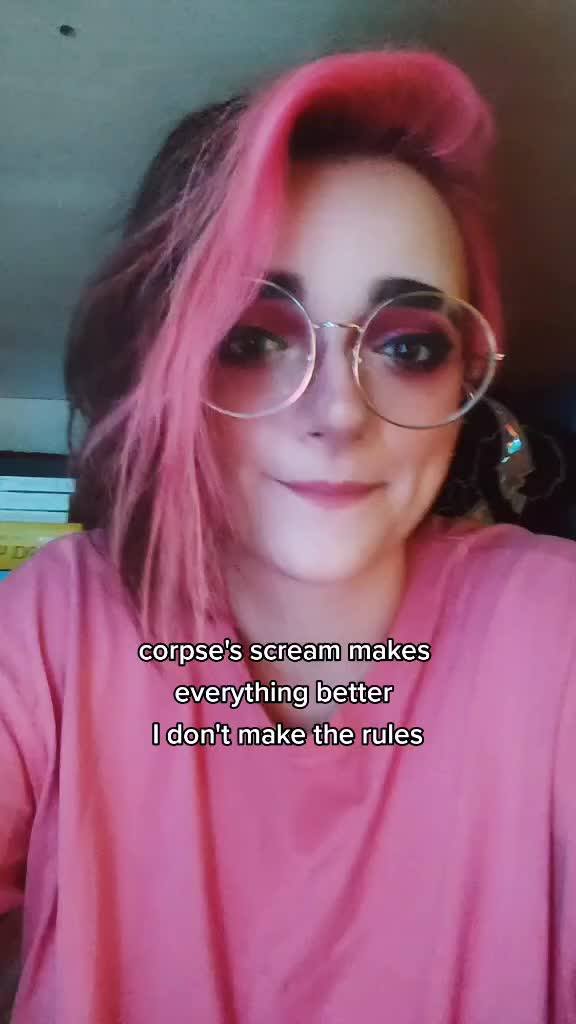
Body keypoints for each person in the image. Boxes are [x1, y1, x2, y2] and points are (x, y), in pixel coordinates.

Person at [1, 47, 575, 1024]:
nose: (339, 414)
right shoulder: (59, 623)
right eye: (252, 337)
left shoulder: (551, 625)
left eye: (408, 346)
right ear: (165, 363)